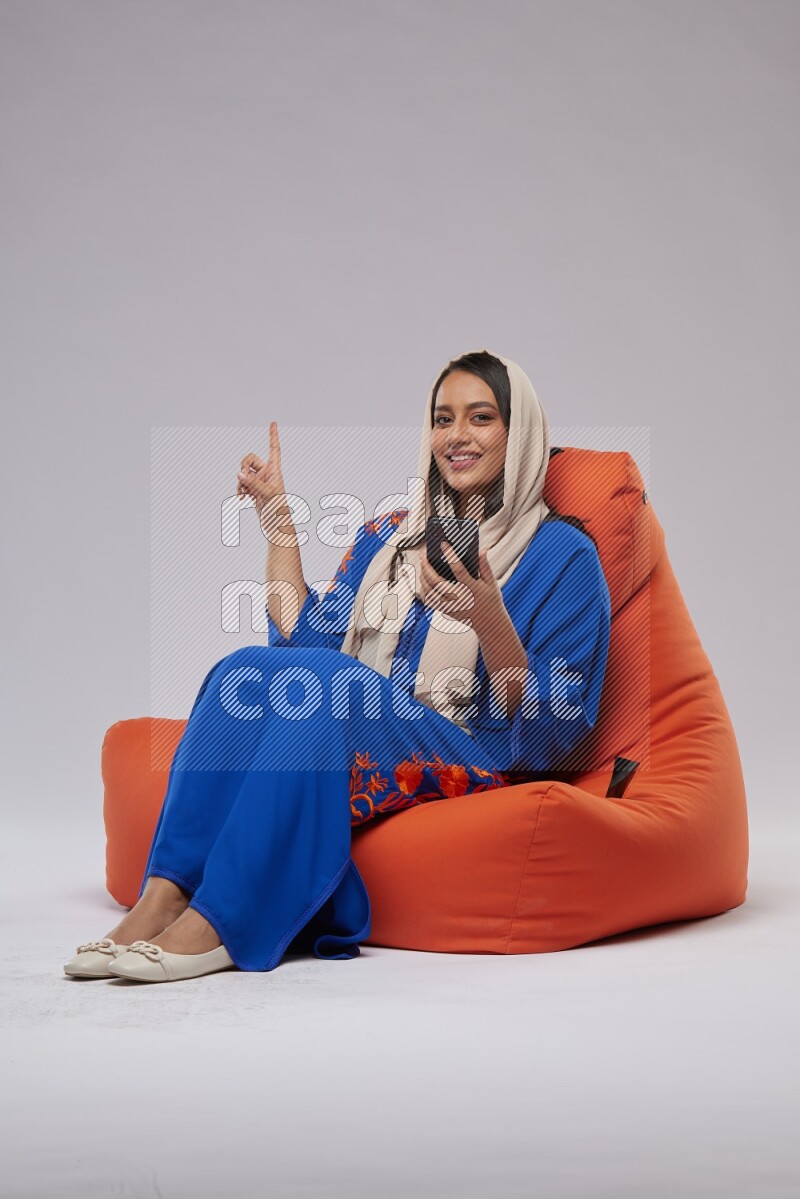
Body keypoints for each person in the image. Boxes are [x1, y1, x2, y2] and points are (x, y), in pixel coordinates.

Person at [64, 349, 611, 983]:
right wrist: (277, 524)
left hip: (476, 752)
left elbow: (556, 731)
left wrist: (491, 621)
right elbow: (306, 648)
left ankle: (226, 921)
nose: (456, 436)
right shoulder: (392, 538)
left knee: (335, 689)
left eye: (480, 417)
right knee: (241, 670)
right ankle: (164, 894)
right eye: (442, 418)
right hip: (366, 717)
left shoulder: (564, 555)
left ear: (519, 437)